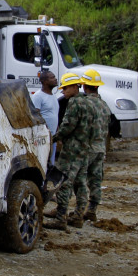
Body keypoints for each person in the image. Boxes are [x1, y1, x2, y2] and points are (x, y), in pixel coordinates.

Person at [45, 72, 96, 231]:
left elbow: (67, 126)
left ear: (75, 86)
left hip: (72, 150)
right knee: (80, 183)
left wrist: (54, 138)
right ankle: (78, 216)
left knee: (64, 183)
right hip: (84, 149)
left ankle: (61, 218)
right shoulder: (89, 102)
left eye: (66, 88)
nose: (63, 91)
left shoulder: (74, 103)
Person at [77, 68, 112, 223]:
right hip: (100, 148)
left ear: (85, 86)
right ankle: (92, 210)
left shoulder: (84, 104)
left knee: (79, 179)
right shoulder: (104, 105)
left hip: (87, 147)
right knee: (96, 179)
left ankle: (78, 211)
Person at [31, 70, 59, 166]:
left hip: (53, 136)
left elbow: (54, 114)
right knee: (43, 163)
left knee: (50, 163)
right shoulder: (38, 96)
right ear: (44, 81)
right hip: (43, 137)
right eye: (52, 77)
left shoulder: (53, 96)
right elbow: (35, 116)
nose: (55, 79)